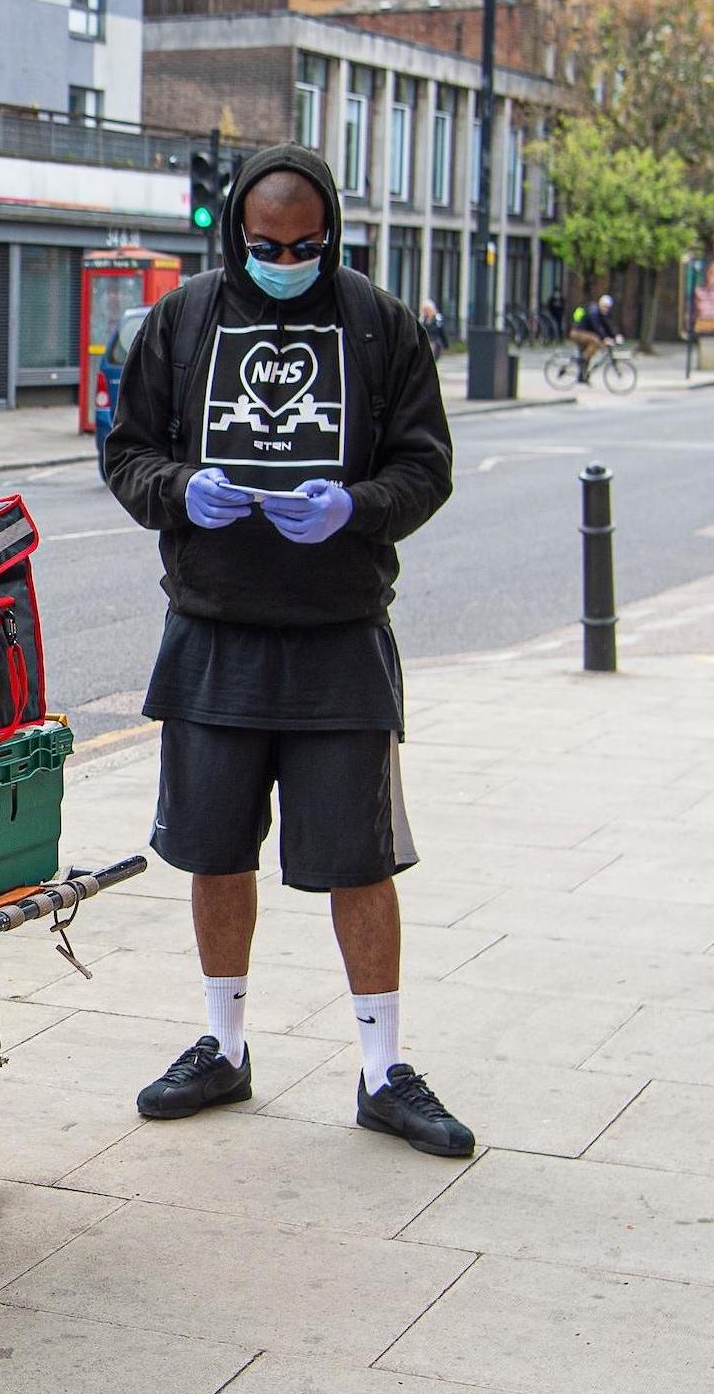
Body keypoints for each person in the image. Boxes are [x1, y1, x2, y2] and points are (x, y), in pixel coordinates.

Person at [103, 142, 470, 1159]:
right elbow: (125, 454)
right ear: (234, 234)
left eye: (305, 245)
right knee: (213, 852)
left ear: (331, 232)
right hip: (212, 632)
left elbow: (427, 466)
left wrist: (356, 506)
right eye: (266, 245)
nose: (285, 259)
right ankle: (222, 1046)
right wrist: (180, 492)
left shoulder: (377, 323)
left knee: (360, 860)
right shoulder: (180, 321)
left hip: (338, 635)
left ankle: (381, 1070)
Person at [572, 290, 619, 381]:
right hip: (578, 332)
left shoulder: (601, 313)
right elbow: (597, 326)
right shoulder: (594, 312)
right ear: (600, 304)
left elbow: (606, 325)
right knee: (595, 341)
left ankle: (582, 377)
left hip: (585, 334)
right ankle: (582, 360)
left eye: (608, 308)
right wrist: (604, 338)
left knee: (589, 354)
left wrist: (615, 335)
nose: (606, 309)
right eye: (605, 307)